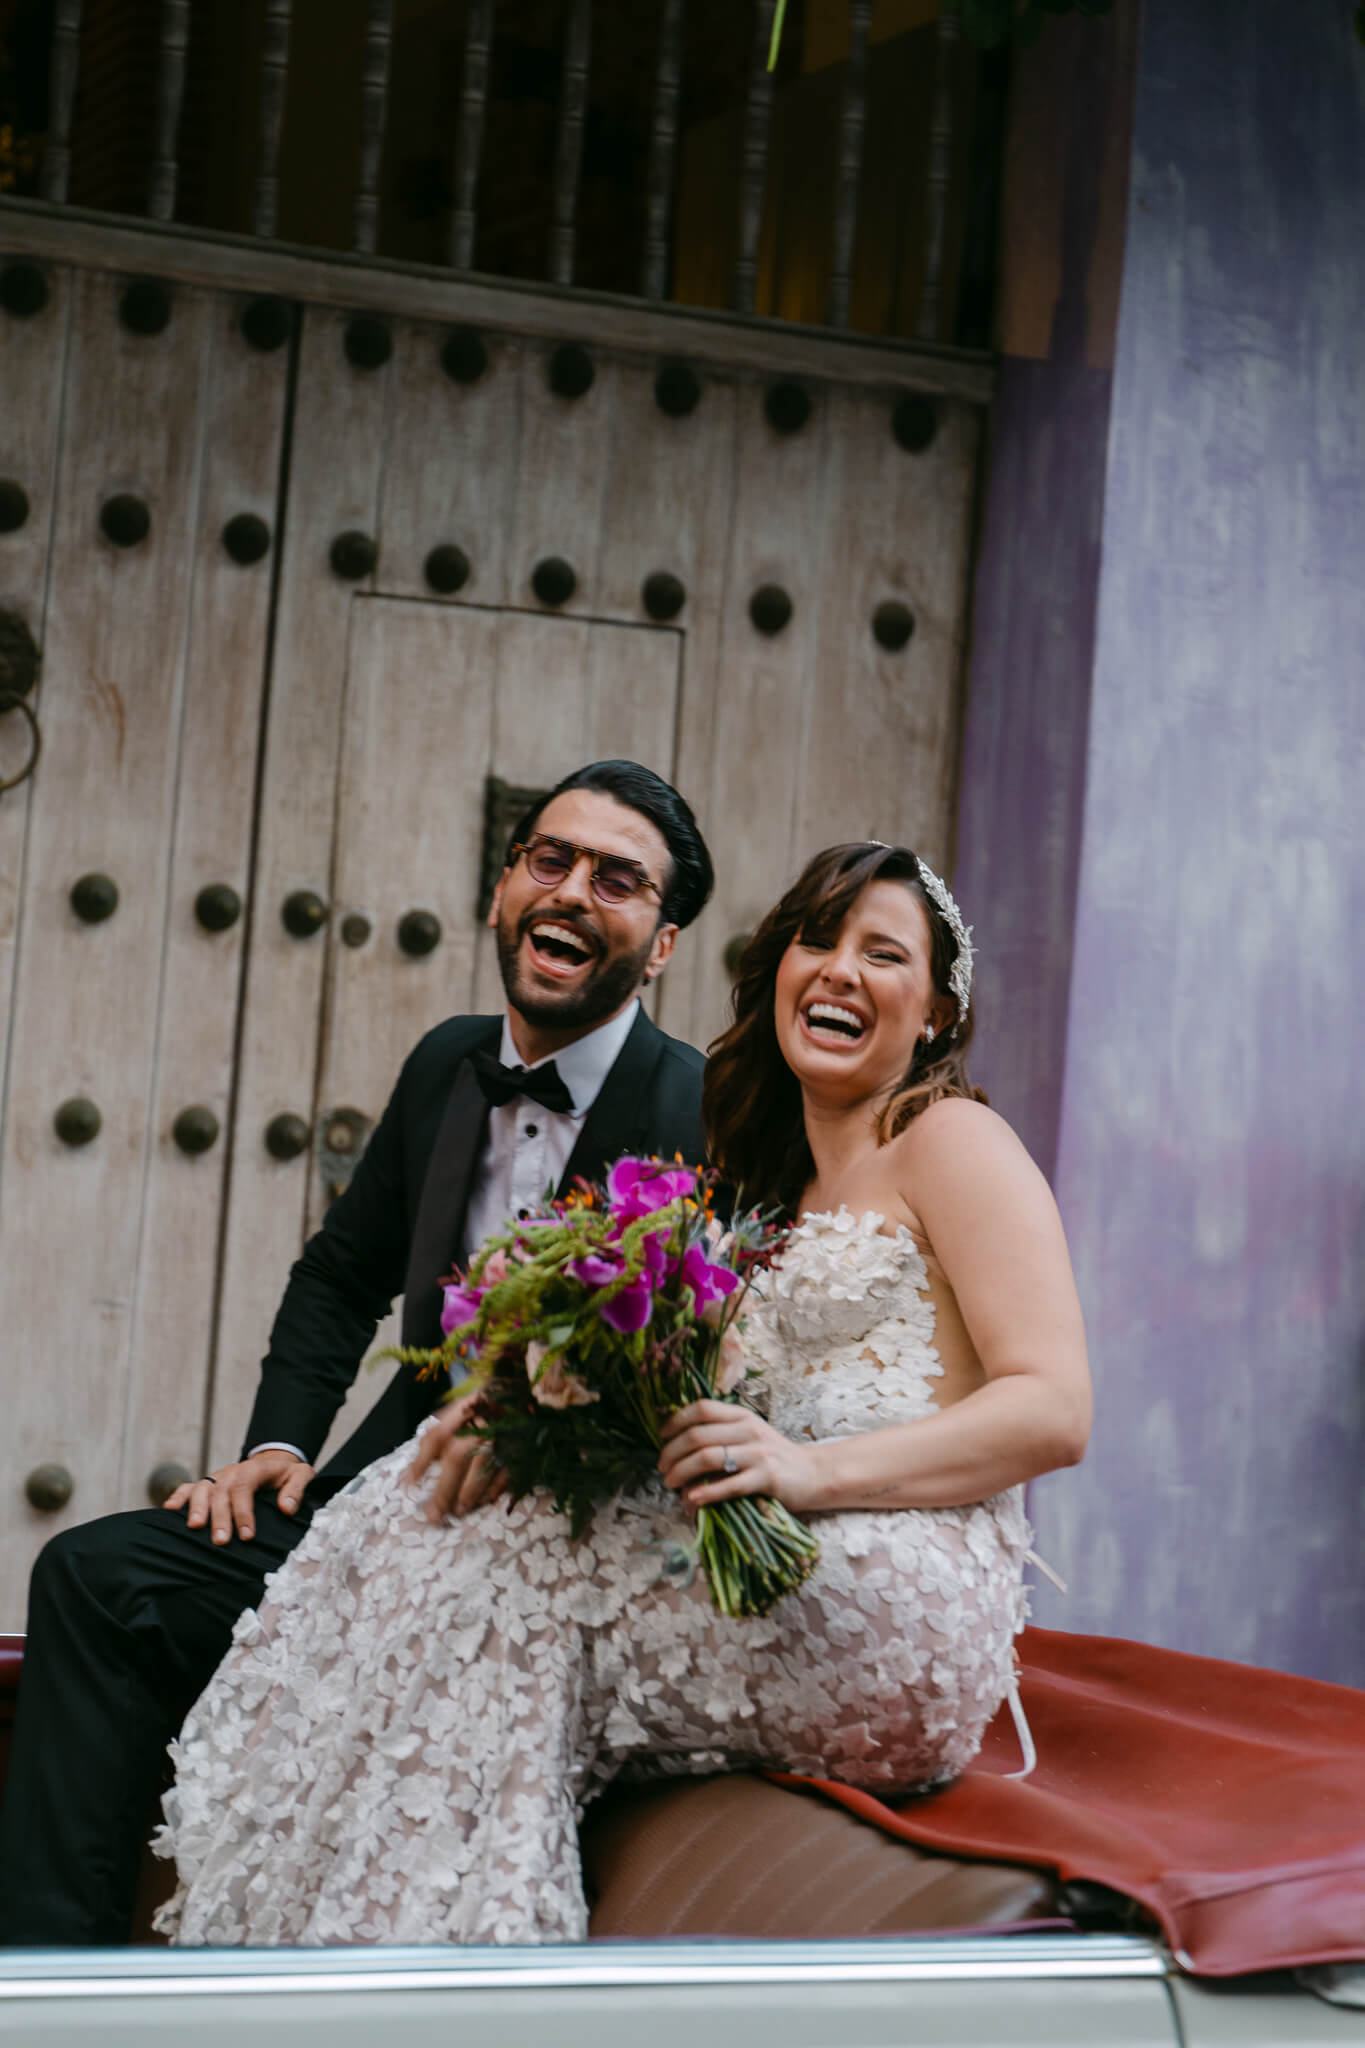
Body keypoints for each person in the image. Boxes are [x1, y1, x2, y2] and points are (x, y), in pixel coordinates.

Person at [151, 840, 1092, 1946]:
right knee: (429, 1512)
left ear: (935, 1010)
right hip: (778, 1547)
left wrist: (806, 1469)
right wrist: (541, 1400)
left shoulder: (951, 1139)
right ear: (775, 971)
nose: (840, 970)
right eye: (817, 940)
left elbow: (1053, 1408)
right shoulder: (766, 1178)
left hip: (898, 1589)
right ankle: (370, 1934)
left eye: (883, 954)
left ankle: (449, 1962)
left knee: (503, 1567)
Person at [0, 758, 715, 1948]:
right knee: (96, 1575)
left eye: (618, 879)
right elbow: (340, 1277)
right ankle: (49, 1980)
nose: (575, 891)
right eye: (551, 858)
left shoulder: (696, 1108)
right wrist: (274, 1448)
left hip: (553, 1546)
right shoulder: (448, 1059)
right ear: (503, 887)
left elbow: (692, 1377)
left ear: (665, 940)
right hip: (378, 1497)